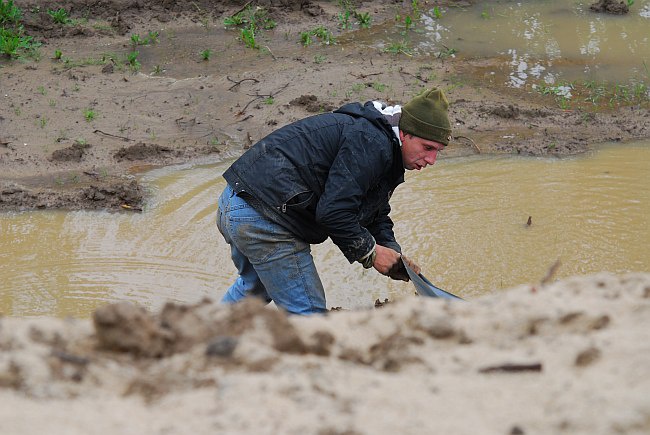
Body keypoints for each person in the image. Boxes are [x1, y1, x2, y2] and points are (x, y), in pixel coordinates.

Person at [216, 88, 452, 314]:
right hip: (263, 218)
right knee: (308, 313)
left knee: (255, 288)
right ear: (405, 133)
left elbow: (373, 210)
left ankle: (198, 335)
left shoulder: (380, 143)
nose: (431, 159)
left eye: (437, 151)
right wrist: (370, 252)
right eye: (427, 147)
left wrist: (392, 252)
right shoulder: (371, 142)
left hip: (235, 203)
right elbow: (333, 212)